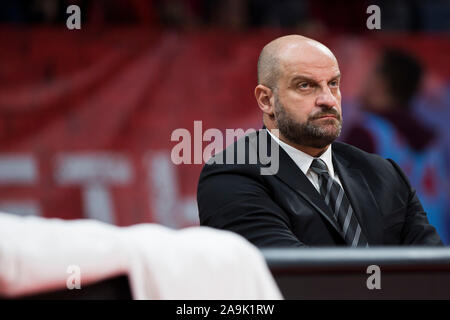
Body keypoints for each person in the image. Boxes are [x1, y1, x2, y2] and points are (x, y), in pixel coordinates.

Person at [196, 35, 442, 247]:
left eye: (333, 84)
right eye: (305, 86)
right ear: (266, 100)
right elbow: (297, 278)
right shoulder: (231, 176)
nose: (328, 99)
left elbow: (431, 272)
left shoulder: (385, 174)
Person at [344, 49, 448, 243]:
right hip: (437, 254)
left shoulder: (365, 134)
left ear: (380, 82)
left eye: (370, 73)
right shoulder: (433, 143)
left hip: (391, 259)